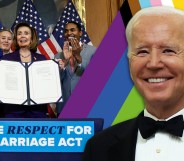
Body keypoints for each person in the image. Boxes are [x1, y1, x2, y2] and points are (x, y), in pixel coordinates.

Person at [82, 6, 184, 161]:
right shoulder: (98, 148)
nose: (154, 63)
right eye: (142, 51)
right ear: (129, 62)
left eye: (168, 50)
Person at [1, 22, 47, 118]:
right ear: (16, 38)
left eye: (26, 33)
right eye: (19, 33)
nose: (22, 36)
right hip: (13, 110)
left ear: (31, 38)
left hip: (37, 110)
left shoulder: (41, 59)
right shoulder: (6, 59)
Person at [56, 21, 96, 115]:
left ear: (80, 33)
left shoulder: (93, 51)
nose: (69, 33)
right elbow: (56, 82)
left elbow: (95, 78)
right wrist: (65, 61)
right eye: (66, 31)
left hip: (86, 105)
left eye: (72, 30)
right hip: (64, 107)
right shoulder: (58, 56)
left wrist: (78, 57)